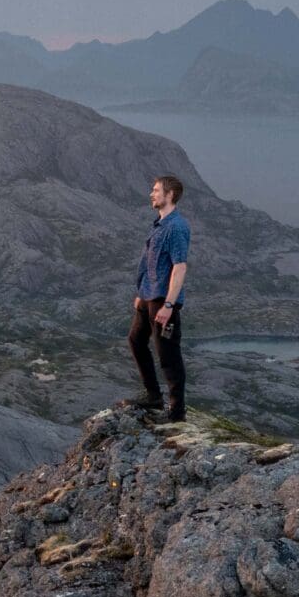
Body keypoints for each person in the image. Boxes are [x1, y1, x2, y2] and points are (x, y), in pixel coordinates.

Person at [128, 174, 191, 421]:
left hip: (163, 300)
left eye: (156, 190)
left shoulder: (176, 227)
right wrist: (142, 294)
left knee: (168, 354)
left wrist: (169, 304)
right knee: (136, 340)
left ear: (170, 195)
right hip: (149, 296)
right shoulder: (160, 225)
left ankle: (177, 412)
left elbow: (180, 267)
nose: (151, 194)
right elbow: (152, 263)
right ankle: (153, 395)